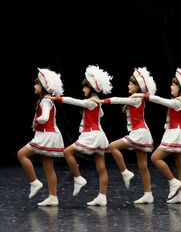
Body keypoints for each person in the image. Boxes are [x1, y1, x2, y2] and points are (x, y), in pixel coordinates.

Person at [133, 67, 181, 204]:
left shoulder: (178, 101)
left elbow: (160, 100)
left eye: (174, 85)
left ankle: (173, 181)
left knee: (155, 157)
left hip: (176, 133)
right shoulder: (179, 100)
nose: (171, 87)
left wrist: (143, 95)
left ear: (180, 87)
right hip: (179, 131)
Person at [50, 65, 112, 206]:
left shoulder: (91, 102)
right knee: (101, 167)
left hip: (91, 135)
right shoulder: (97, 102)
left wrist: (56, 98)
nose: (83, 89)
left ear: (91, 88)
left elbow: (75, 101)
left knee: (67, 152)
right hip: (99, 135)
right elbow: (100, 116)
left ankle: (78, 178)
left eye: (85, 87)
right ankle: (102, 196)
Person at [94, 67, 156, 204]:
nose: (128, 86)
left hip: (140, 133)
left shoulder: (136, 99)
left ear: (137, 86)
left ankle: (125, 172)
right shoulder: (135, 99)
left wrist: (103, 101)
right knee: (143, 166)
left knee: (112, 146)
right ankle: (148, 194)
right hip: (140, 132)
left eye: (131, 84)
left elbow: (118, 99)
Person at [17, 68, 64, 206]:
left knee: (21, 154)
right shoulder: (45, 101)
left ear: (43, 86)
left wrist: (35, 121)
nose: (34, 86)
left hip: (46, 135)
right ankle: (53, 197)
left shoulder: (45, 101)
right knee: (48, 167)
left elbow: (44, 118)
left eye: (37, 84)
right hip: (49, 134)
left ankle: (34, 182)